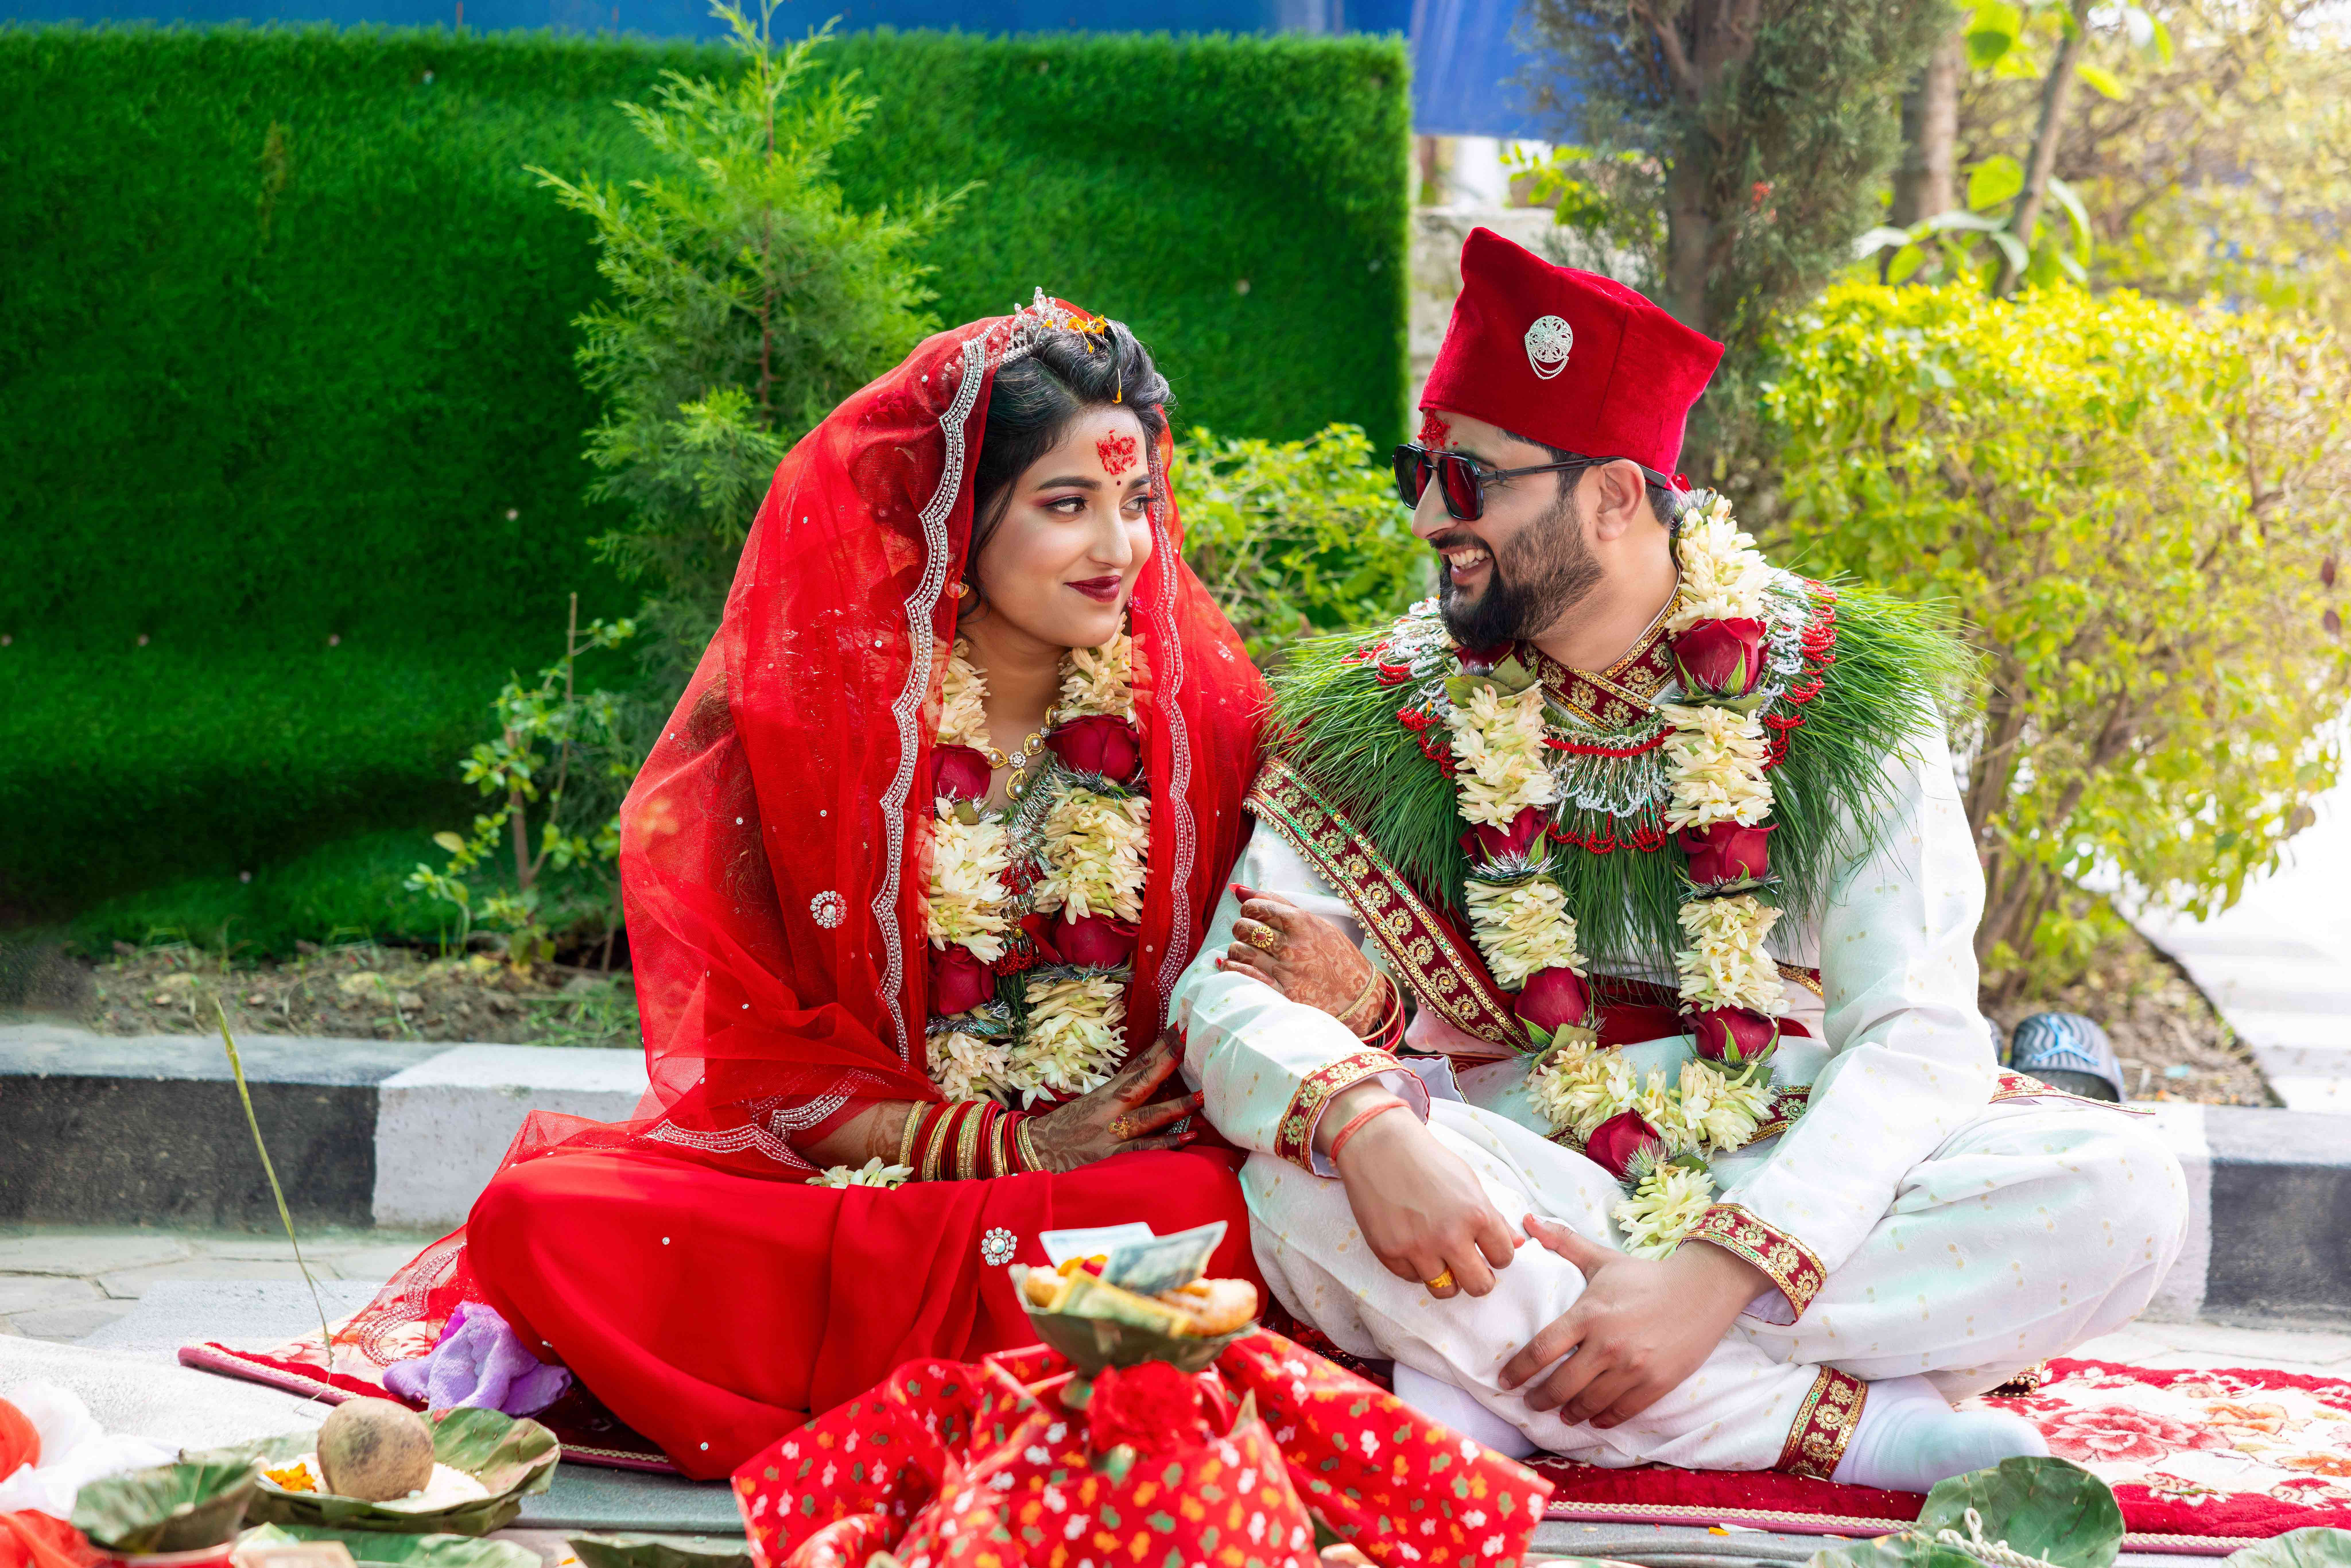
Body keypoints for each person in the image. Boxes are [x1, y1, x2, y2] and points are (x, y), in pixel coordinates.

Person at [1167, 229, 2191, 1493]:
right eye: (1419, 470)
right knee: (1302, 1188)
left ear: (1610, 495)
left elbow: (1916, 1035)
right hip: (1518, 1169)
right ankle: (1854, 1431)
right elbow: (1222, 993)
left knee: (2122, 1192)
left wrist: (1715, 1276)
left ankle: (1495, 1382)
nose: (1433, 513)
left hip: (1784, 1148)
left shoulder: (1836, 697)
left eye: (1473, 477)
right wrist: (1370, 1126)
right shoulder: (1382, 714)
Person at [196, 295, 1272, 1479]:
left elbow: (1246, 1006)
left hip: (1105, 1200)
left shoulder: (1202, 719)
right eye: (1067, 505)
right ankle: (1015, 1372)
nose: (1117, 549)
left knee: (1209, 1213)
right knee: (539, 1216)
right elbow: (763, 1061)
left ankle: (883, 1365)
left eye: (1137, 504)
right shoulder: (826, 720)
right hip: (862, 1187)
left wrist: (1091, 1145)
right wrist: (1002, 1146)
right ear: (958, 517)